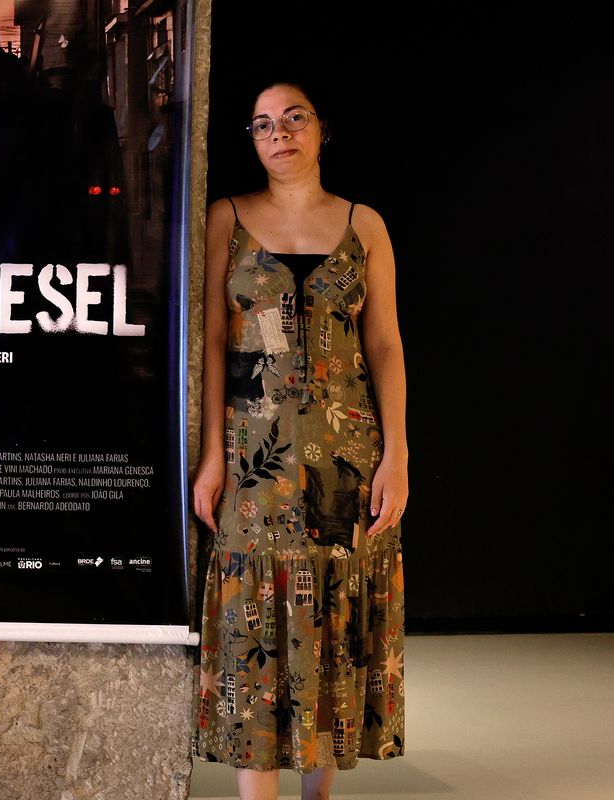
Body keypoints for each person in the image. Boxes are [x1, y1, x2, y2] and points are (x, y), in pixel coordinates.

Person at [191, 80, 409, 800]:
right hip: (255, 455)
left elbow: (385, 344)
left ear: (321, 129)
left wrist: (399, 455)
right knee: (255, 622)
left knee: (333, 610)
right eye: (262, 125)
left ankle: (319, 792)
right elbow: (212, 342)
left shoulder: (363, 224)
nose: (278, 133)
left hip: (348, 452)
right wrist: (213, 456)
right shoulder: (227, 218)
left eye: (293, 119)